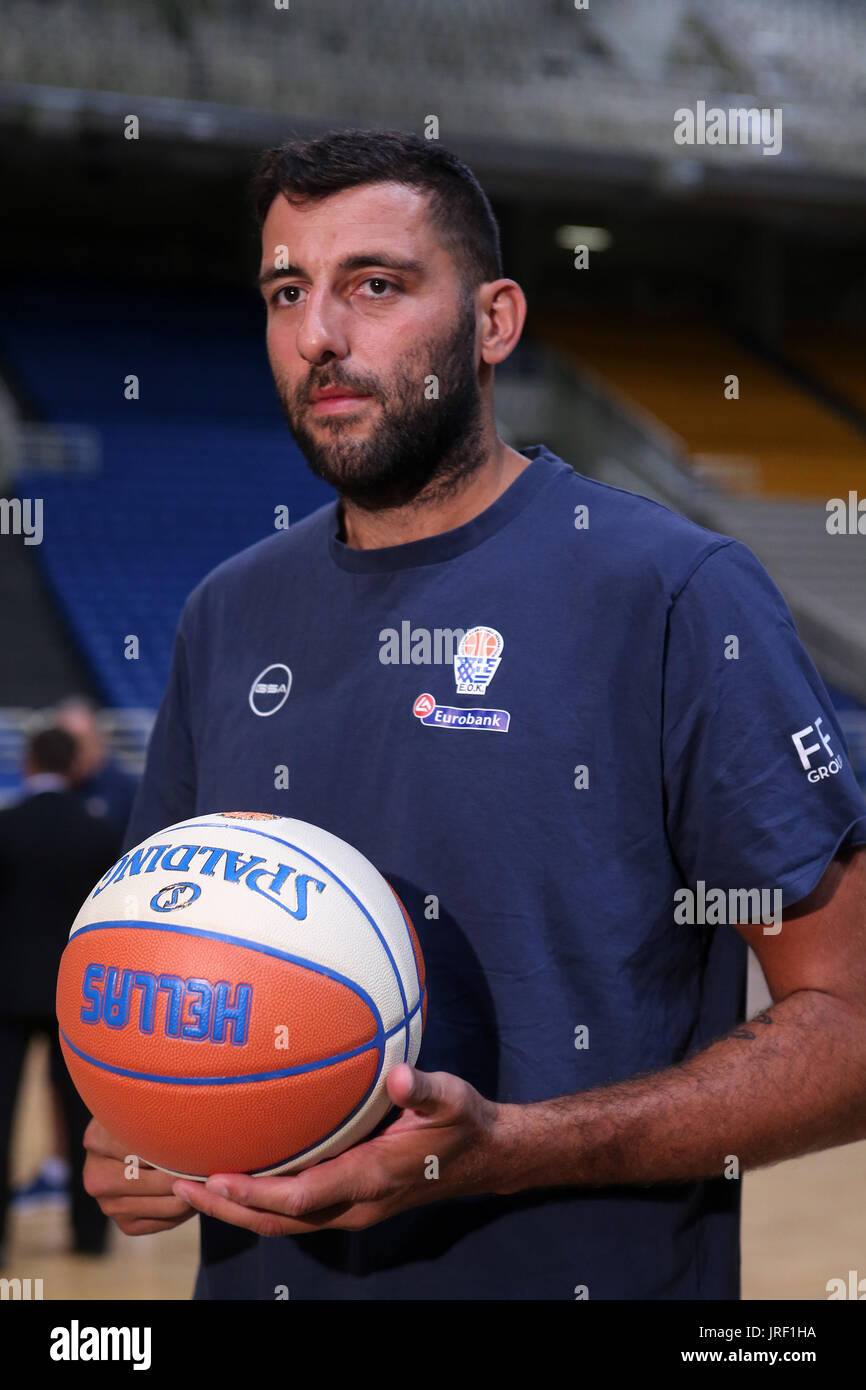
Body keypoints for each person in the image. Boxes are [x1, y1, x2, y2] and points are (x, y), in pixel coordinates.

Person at [83, 129, 866, 1300]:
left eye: (375, 286)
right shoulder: (225, 615)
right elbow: (171, 984)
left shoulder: (666, 591)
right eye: (286, 292)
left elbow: (848, 1021)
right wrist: (143, 1124)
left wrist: (511, 1149)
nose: (319, 337)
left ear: (493, 322)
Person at [0, 727, 118, 1259]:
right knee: (79, 1117)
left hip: (5, 990)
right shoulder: (99, 831)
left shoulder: (6, 825)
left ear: (28, 762)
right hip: (77, 994)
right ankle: (90, 1236)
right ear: (75, 767)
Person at [54, 697, 138, 841]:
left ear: (98, 740)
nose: (70, 751)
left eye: (78, 742)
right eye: (64, 743)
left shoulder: (127, 790)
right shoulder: (50, 789)